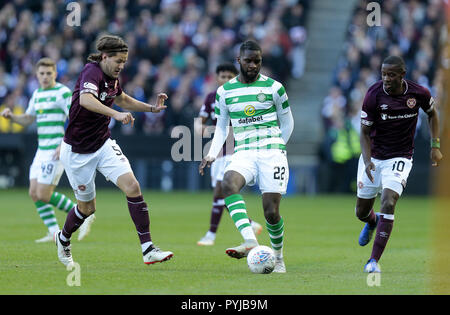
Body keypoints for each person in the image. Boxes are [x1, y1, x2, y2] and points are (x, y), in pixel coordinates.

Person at [54, 35, 173, 266]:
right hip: (78, 151)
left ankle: (147, 248)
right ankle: (63, 238)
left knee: (132, 186)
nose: (121, 66)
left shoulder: (112, 78)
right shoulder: (92, 71)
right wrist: (115, 114)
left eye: (124, 62)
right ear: (105, 57)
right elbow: (87, 100)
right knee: (87, 208)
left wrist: (151, 108)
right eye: (118, 60)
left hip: (103, 144)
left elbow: (123, 100)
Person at [199, 40, 294, 273]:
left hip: (272, 152)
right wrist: (211, 154)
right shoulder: (224, 92)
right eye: (248, 61)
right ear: (238, 61)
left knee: (271, 212)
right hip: (244, 151)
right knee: (227, 184)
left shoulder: (274, 87)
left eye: (257, 61)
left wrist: (280, 146)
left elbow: (288, 121)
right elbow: (221, 127)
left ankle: (279, 257)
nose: (253, 65)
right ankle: (250, 240)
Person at [356, 55, 443, 273]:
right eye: (384, 74)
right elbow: (364, 132)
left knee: (388, 201)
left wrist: (435, 145)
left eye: (391, 74)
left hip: (400, 157)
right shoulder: (373, 95)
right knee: (361, 211)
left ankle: (373, 261)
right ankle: (372, 221)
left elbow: (433, 114)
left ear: (402, 75)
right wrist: (367, 161)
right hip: (373, 157)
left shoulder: (418, 93)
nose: (386, 78)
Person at [1, 58, 95, 243]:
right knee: (34, 193)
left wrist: (63, 144)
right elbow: (28, 119)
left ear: (55, 74)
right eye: (41, 73)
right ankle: (54, 233)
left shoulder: (62, 92)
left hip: (56, 149)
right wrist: (12, 117)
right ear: (36, 75)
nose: (45, 77)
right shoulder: (36, 94)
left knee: (44, 193)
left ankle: (84, 213)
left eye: (48, 73)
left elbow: (74, 118)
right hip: (41, 150)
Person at [196, 63, 263, 246]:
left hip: (236, 150)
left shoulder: (241, 96)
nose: (225, 80)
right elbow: (199, 124)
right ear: (217, 78)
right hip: (217, 151)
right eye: (222, 76)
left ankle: (211, 235)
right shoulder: (211, 97)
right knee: (223, 194)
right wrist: (204, 129)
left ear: (235, 78)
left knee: (220, 191)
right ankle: (249, 224)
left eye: (229, 77)